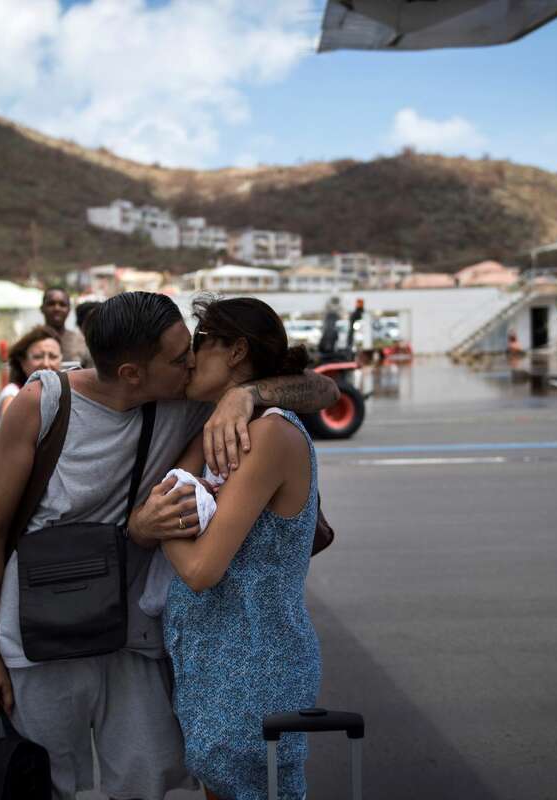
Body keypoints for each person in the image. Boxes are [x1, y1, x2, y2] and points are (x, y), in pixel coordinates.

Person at [0, 291, 340, 800]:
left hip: (134, 641)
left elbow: (321, 389)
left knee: (147, 783)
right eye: (179, 355)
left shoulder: (188, 401)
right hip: (41, 637)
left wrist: (245, 394)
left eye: (194, 346)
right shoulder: (43, 404)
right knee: (40, 781)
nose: (189, 362)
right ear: (131, 374)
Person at [159, 297, 322, 800]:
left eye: (201, 342)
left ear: (237, 352)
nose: (190, 356)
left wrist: (158, 526)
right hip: (216, 662)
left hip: (254, 666)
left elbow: (203, 568)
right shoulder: (224, 427)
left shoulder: (270, 434)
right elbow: (178, 487)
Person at [0, 326, 62, 452]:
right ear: (23, 362)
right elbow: (11, 440)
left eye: (53, 356)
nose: (46, 363)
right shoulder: (12, 394)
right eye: (38, 357)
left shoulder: (61, 395)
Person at [40, 286, 92, 367]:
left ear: (69, 310)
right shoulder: (30, 341)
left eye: (62, 304)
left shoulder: (81, 341)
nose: (57, 308)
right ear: (42, 308)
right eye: (51, 304)